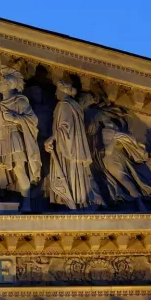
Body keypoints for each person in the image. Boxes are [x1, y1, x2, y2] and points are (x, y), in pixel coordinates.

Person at [0, 68, 41, 211]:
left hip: (14, 140)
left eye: (2, 82)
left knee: (19, 170)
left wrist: (16, 118)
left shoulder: (20, 102)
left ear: (10, 85)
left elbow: (33, 120)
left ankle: (27, 203)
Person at [44, 79, 102, 210]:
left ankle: (73, 202)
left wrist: (51, 139)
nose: (55, 94)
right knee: (74, 172)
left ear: (61, 90)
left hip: (67, 149)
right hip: (74, 149)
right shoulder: (74, 106)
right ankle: (78, 200)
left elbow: (65, 127)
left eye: (56, 90)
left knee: (69, 172)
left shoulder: (64, 105)